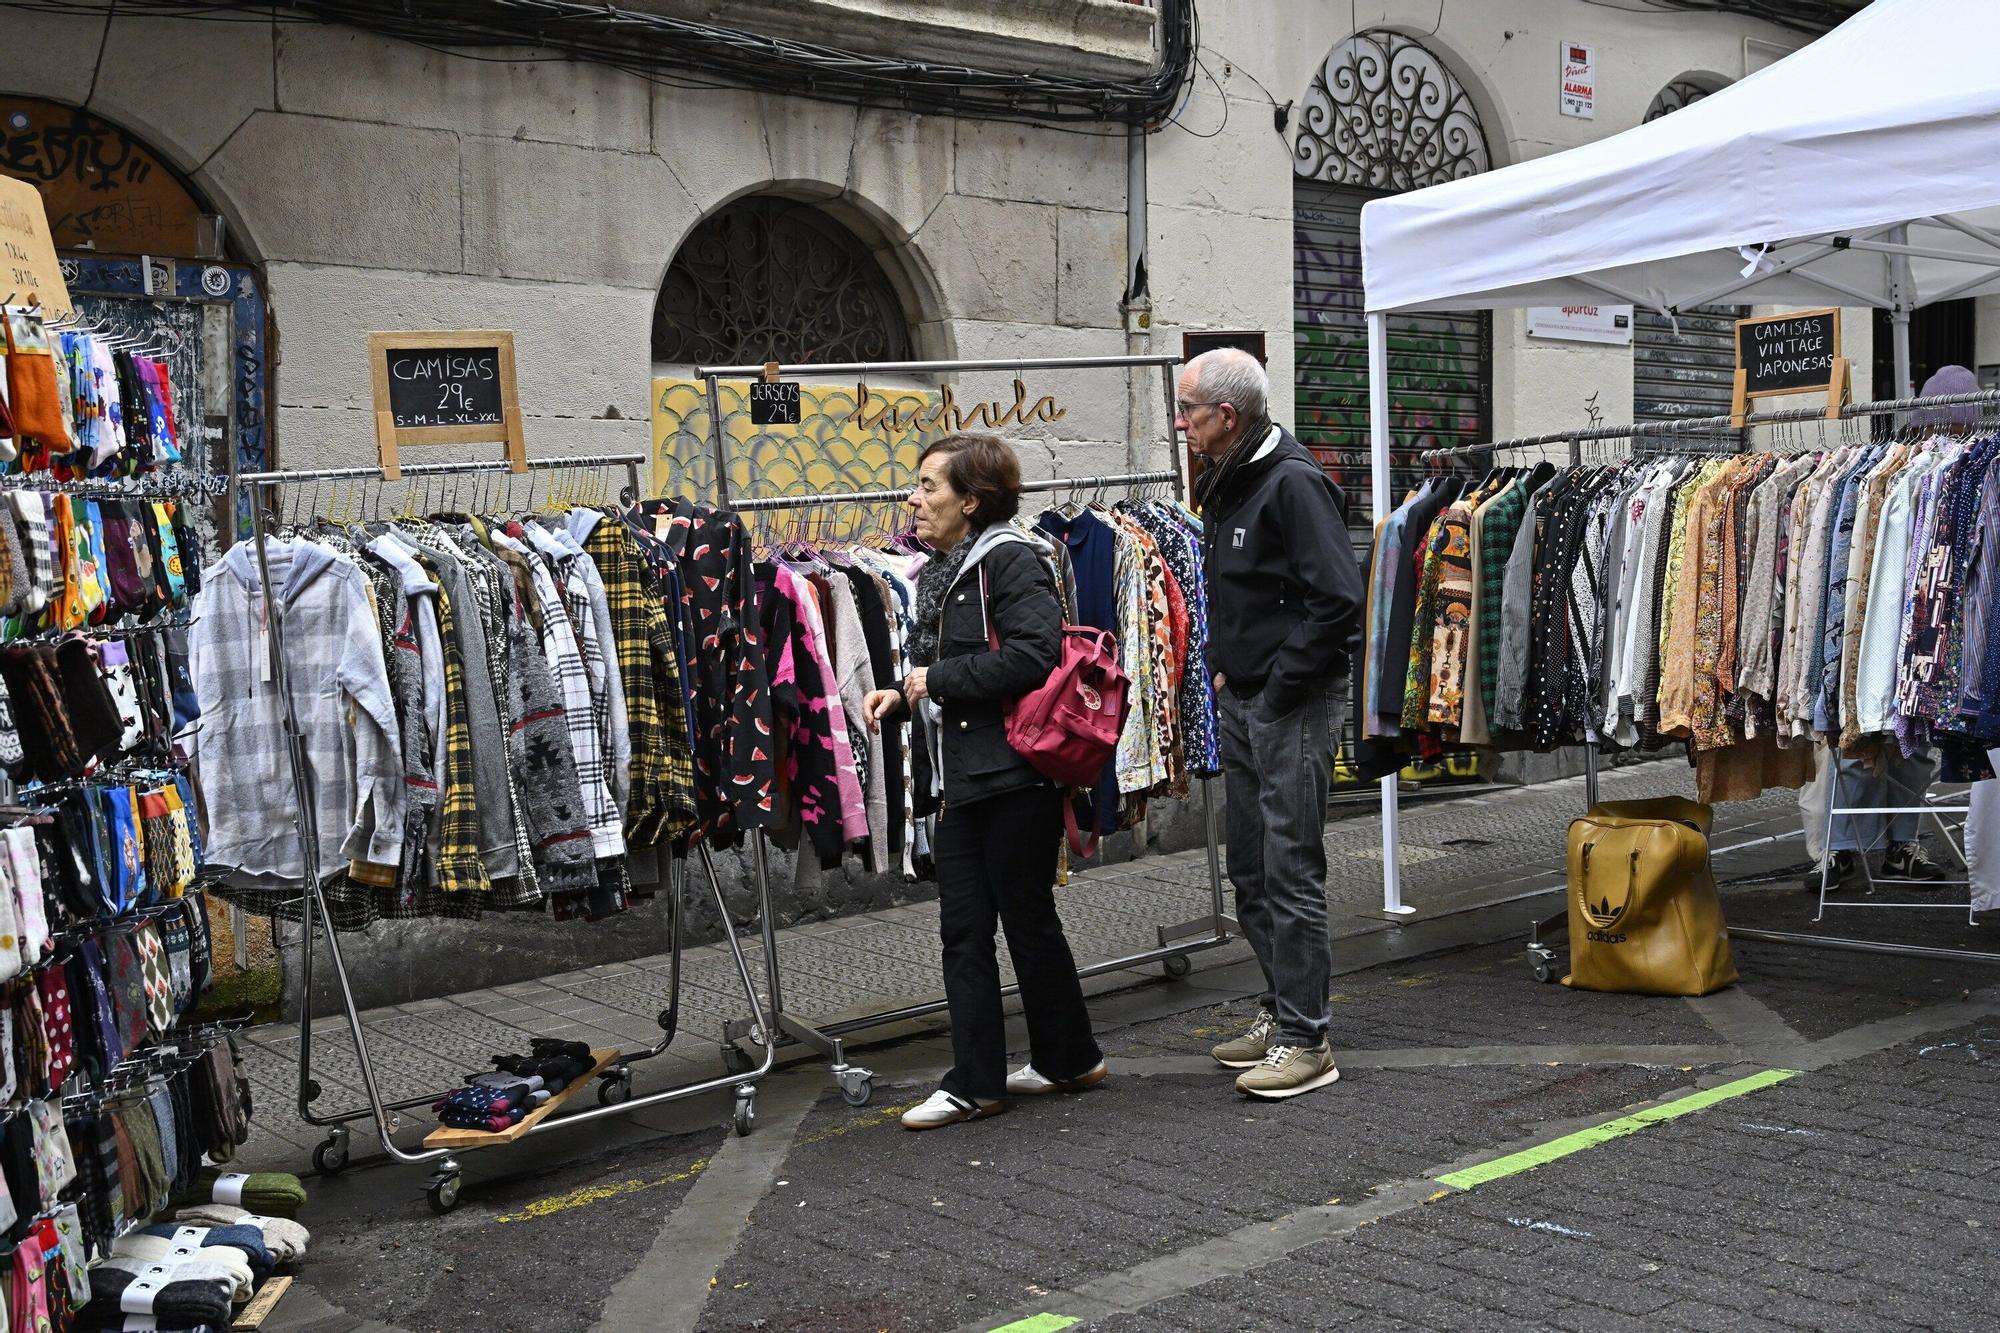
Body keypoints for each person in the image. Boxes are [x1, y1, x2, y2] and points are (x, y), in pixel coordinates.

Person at [863, 432, 1106, 1130]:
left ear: (972, 500)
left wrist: (932, 679)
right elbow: (963, 664)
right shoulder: (952, 567)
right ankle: (1071, 1056)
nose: (914, 498)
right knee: (1027, 922)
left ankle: (976, 1082)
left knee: (969, 929)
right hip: (985, 773)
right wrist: (903, 691)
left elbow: (1034, 654)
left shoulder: (1006, 560)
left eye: (929, 486)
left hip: (1006, 777)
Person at [1180, 348, 1365, 1099]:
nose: (1181, 422)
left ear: (1227, 416)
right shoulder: (1234, 478)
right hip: (1248, 696)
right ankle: (1280, 1005)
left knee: (1290, 866)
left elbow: (1337, 600)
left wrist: (1279, 685)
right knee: (1250, 866)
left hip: (1289, 702)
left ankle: (1306, 1037)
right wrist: (1229, 671)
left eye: (1189, 409)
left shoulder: (1291, 483)